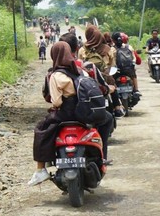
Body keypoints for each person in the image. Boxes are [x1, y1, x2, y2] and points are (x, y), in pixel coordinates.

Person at [29, 42, 82, 186]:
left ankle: (41, 170)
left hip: (67, 112)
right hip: (81, 112)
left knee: (42, 129)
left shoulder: (55, 75)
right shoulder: (77, 69)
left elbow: (57, 102)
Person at [78, 25, 125, 118]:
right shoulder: (108, 49)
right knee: (113, 85)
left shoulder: (82, 50)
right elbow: (113, 66)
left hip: (88, 80)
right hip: (105, 79)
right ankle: (117, 107)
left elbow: (79, 66)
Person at [112, 32, 141, 99]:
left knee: (111, 80)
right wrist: (132, 64)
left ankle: (114, 93)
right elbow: (134, 58)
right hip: (129, 69)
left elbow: (111, 60)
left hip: (117, 71)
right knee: (134, 75)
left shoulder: (112, 49)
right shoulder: (129, 47)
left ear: (113, 40)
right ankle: (136, 90)